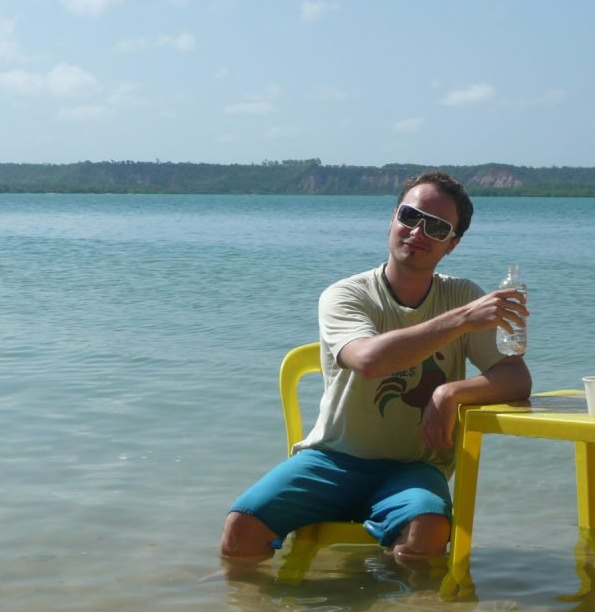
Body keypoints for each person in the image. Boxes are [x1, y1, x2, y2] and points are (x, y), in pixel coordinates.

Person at [220, 171, 532, 569]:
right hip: (333, 458)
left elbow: (516, 378)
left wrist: (450, 392)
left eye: (436, 227)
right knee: (240, 529)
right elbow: (368, 360)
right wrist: (461, 321)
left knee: (429, 529)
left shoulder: (460, 296)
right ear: (391, 219)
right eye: (409, 215)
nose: (417, 231)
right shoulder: (347, 294)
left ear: (451, 245)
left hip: (413, 468)